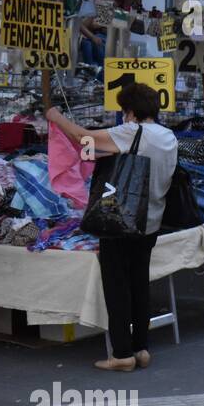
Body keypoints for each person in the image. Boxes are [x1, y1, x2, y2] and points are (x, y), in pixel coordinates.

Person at [46, 82, 178, 372]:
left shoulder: (132, 132)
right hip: (151, 221)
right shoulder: (168, 136)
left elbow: (84, 139)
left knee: (117, 286)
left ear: (129, 111)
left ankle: (121, 354)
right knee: (139, 283)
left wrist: (56, 117)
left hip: (121, 221)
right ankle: (141, 348)